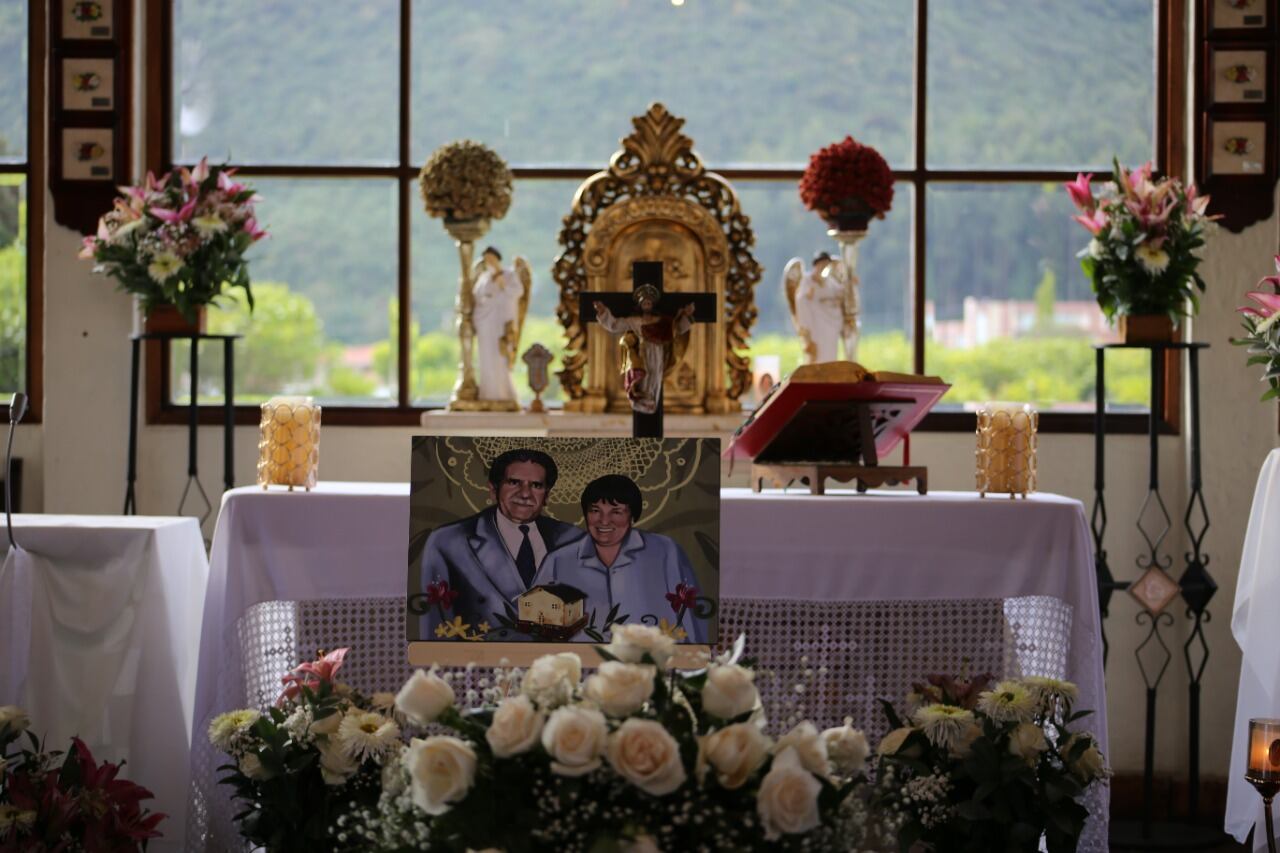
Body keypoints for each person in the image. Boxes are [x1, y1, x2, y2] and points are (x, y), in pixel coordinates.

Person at [417, 448, 584, 640]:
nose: (525, 494)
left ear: (546, 496)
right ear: (493, 489)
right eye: (514, 483)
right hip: (480, 664)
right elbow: (435, 630)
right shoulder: (448, 541)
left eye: (536, 485)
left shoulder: (574, 539)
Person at [534, 474, 707, 642]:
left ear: (632, 516)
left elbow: (691, 618)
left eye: (616, 512)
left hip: (655, 661)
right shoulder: (557, 561)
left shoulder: (666, 551)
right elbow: (536, 625)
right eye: (595, 510)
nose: (604, 521)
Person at [593, 284, 696, 414]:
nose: (647, 304)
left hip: (657, 352)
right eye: (644, 302)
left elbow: (677, 329)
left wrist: (687, 315)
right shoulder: (635, 321)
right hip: (642, 352)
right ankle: (642, 398)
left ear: (653, 305)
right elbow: (614, 325)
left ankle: (652, 399)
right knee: (643, 376)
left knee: (655, 375)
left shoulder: (661, 321)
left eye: (649, 302)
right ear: (640, 305)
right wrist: (603, 312)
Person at [472, 246, 523, 402]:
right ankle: (488, 393)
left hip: (501, 321)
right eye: (486, 259)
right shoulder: (484, 277)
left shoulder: (509, 275)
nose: (489, 262)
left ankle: (502, 393)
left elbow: (517, 292)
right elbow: (477, 295)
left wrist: (503, 286)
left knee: (500, 356)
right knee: (486, 356)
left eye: (491, 258)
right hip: (486, 320)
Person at [792, 251, 848, 364]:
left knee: (830, 348)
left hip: (830, 320)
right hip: (816, 322)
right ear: (816, 265)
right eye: (822, 264)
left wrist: (849, 282)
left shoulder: (829, 281)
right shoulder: (807, 280)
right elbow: (800, 298)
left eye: (826, 264)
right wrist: (808, 295)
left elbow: (839, 291)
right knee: (818, 350)